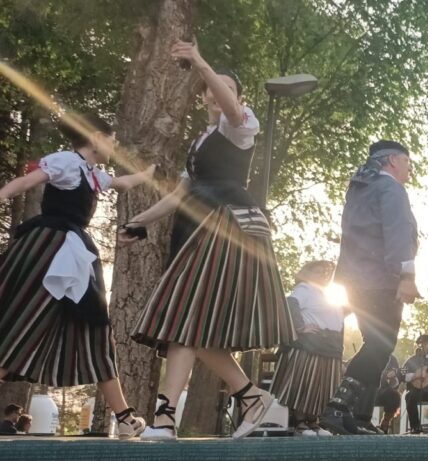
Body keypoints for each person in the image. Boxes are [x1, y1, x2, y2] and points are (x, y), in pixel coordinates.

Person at [125, 41, 292, 441]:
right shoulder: (200, 144)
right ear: (204, 97)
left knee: (184, 317)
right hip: (197, 228)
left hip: (229, 226)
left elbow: (232, 109)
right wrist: (138, 221)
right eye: (215, 88)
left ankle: (166, 419)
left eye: (229, 88)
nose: (220, 94)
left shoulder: (240, 126)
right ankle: (252, 398)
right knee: (192, 326)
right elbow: (180, 194)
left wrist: (200, 61)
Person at [0, 113, 152, 440]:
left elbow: (123, 183)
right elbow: (26, 182)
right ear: (96, 137)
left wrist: (150, 175)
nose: (114, 146)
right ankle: (124, 417)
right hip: (49, 250)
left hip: (74, 255)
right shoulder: (67, 162)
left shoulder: (92, 173)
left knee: (95, 329)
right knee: (23, 323)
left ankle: (124, 418)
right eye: (112, 140)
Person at [320, 140, 420, 435]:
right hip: (381, 279)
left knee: (374, 344)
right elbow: (397, 231)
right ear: (392, 160)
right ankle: (338, 406)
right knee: (381, 346)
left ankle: (360, 416)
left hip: (355, 279)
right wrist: (406, 275)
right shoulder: (390, 188)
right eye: (407, 162)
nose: (408, 169)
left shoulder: (359, 188)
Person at [269, 261, 344, 437]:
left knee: (322, 386)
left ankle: (313, 422)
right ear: (307, 273)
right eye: (318, 272)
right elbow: (290, 303)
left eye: (325, 273)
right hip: (310, 344)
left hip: (330, 346)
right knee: (305, 383)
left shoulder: (328, 294)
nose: (323, 275)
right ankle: (300, 423)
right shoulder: (305, 288)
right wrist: (299, 326)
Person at [376, 355, 403, 433]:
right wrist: (386, 375)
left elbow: (399, 373)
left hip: (385, 389)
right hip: (371, 387)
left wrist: (395, 374)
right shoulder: (370, 355)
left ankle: (385, 422)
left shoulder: (393, 359)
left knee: (395, 396)